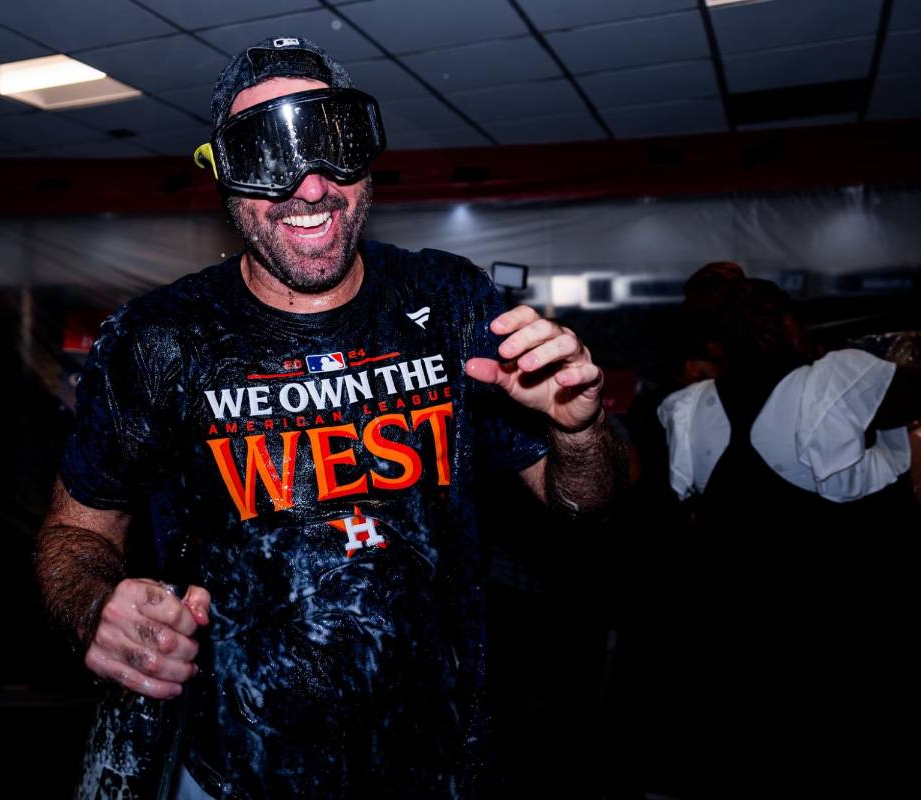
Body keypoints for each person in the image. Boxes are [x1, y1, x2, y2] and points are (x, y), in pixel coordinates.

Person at [37, 36, 627, 800]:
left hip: (440, 763)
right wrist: (95, 608)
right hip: (231, 771)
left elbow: (585, 502)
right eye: (266, 155)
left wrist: (579, 432)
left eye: (331, 145)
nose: (310, 187)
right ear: (223, 178)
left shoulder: (448, 302)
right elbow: (74, 531)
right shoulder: (163, 339)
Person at [657, 277, 920, 795]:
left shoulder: (692, 408)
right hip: (828, 627)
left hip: (735, 633)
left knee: (754, 759)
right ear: (790, 325)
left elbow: (687, 511)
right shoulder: (833, 380)